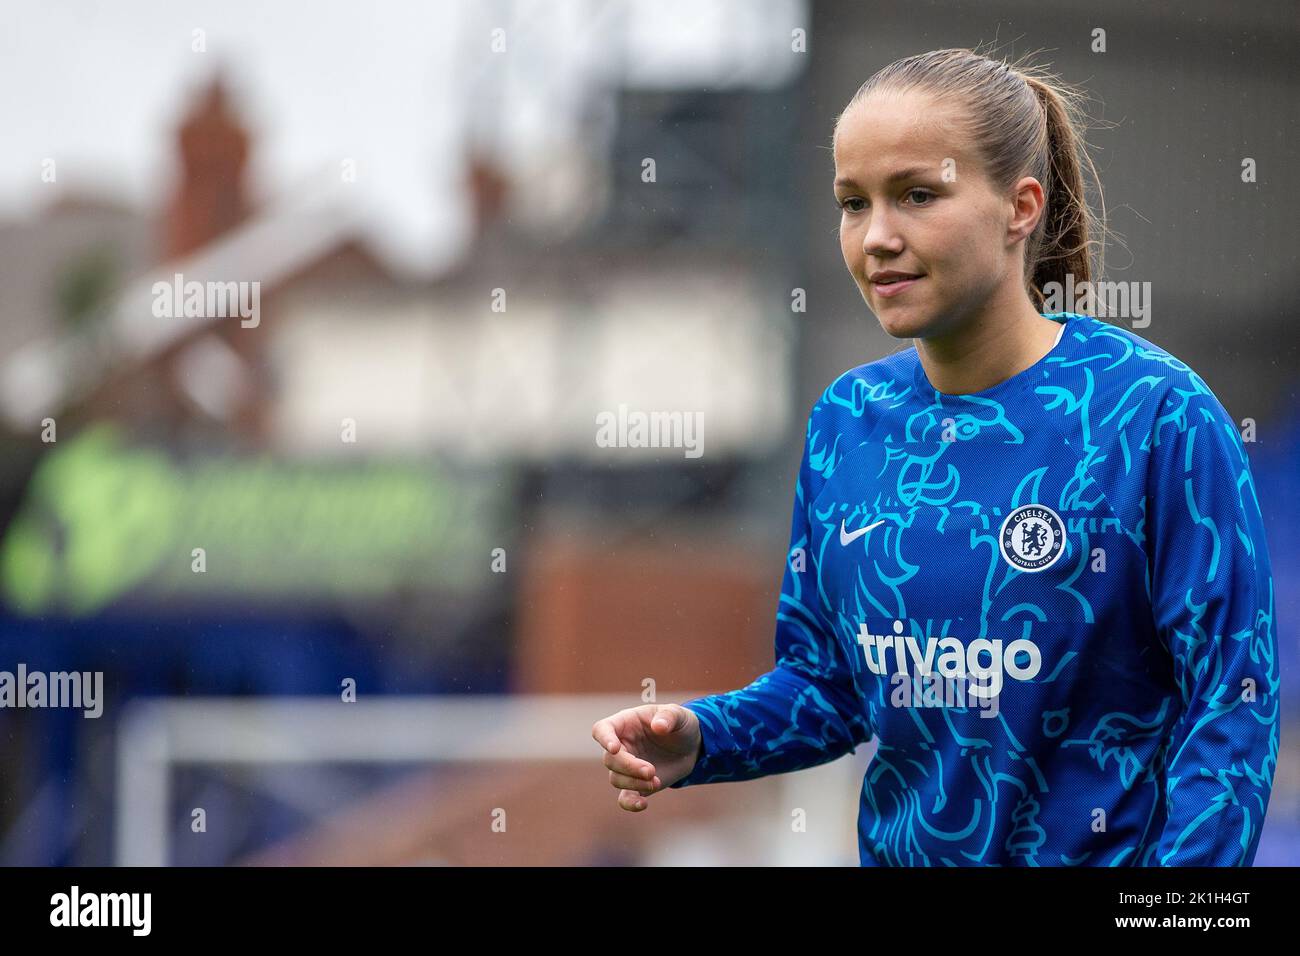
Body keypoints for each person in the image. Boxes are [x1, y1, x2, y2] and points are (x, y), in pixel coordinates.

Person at [591, 48, 1279, 866]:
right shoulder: (848, 421)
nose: (878, 237)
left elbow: (1231, 701)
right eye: (854, 202)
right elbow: (830, 687)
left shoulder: (1153, 414)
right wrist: (704, 741)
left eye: (918, 195)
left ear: (1021, 207)